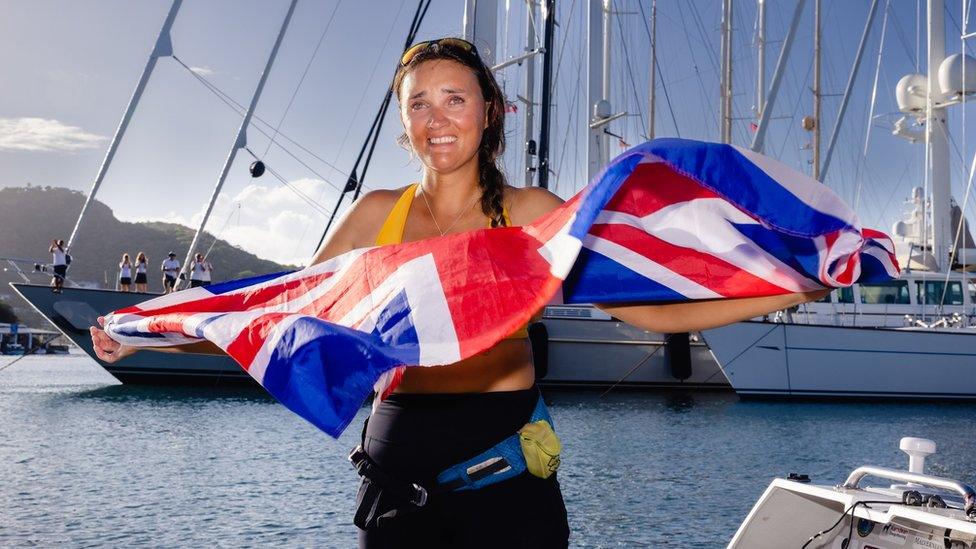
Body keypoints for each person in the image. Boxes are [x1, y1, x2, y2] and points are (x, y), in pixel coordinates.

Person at [90, 38, 826, 547]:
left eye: (454, 99)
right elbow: (289, 314)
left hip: (507, 472)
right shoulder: (380, 215)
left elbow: (642, 307)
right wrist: (146, 331)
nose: (437, 118)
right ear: (405, 124)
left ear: (489, 111)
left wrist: (785, 290)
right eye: (418, 104)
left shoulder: (536, 215)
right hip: (396, 469)